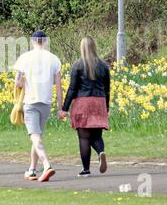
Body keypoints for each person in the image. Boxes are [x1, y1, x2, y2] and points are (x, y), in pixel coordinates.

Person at [14, 31, 62, 182]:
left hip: (31, 102)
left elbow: (18, 83)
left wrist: (23, 82)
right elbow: (59, 87)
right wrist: (61, 107)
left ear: (33, 41)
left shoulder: (25, 58)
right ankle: (32, 170)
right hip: (46, 103)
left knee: (34, 136)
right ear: (45, 42)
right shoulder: (54, 59)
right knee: (37, 136)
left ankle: (47, 165)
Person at [59, 36, 110, 177]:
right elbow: (107, 89)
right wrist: (107, 108)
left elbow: (72, 89)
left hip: (83, 102)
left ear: (82, 48)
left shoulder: (77, 65)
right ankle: (101, 152)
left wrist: (64, 108)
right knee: (97, 135)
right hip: (99, 101)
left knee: (84, 138)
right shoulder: (103, 65)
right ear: (94, 47)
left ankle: (86, 170)